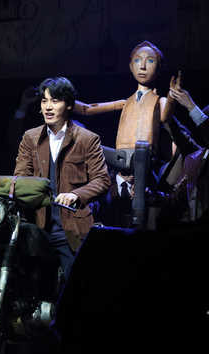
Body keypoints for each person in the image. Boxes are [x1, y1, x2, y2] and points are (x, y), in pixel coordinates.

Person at [72, 41, 180, 227]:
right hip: (120, 157)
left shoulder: (158, 100)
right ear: (130, 66)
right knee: (86, 144)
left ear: (160, 68)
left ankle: (137, 228)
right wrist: (61, 99)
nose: (143, 66)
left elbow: (166, 116)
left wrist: (172, 96)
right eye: (137, 60)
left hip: (143, 155)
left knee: (141, 158)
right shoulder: (126, 102)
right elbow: (88, 109)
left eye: (150, 61)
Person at [13, 77, 110, 277]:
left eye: (55, 101)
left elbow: (102, 180)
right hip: (35, 225)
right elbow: (20, 177)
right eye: (44, 101)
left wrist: (77, 195)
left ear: (69, 105)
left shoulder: (87, 139)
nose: (48, 107)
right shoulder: (30, 138)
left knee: (74, 285)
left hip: (70, 227)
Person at [147, 87, 209, 222]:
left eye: (208, 123)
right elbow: (173, 197)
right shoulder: (194, 159)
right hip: (200, 230)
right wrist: (148, 195)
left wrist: (190, 105)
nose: (202, 128)